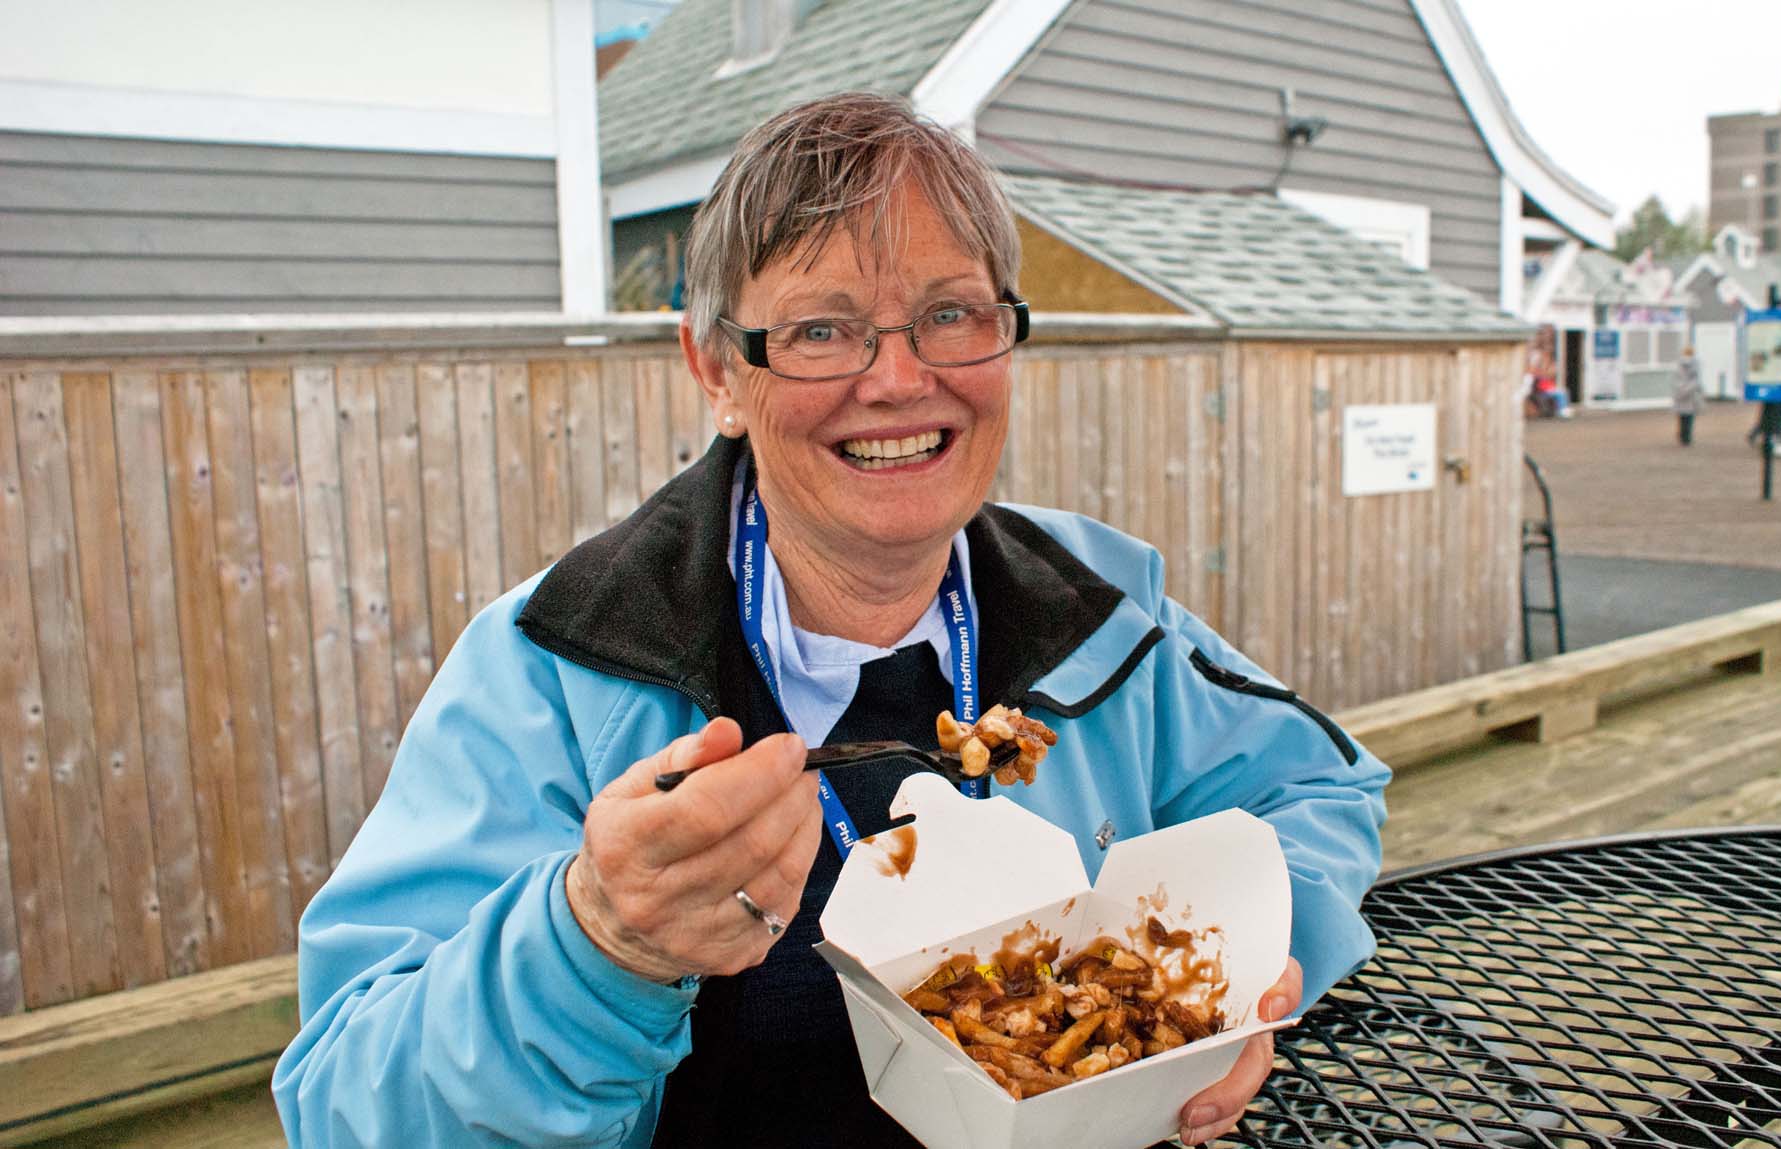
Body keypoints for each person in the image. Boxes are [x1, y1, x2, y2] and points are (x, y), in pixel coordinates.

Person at [272, 93, 1390, 1148]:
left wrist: (1237, 969)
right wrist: (595, 943)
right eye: (821, 331)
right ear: (716, 368)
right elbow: (342, 1102)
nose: (900, 380)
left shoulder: (1103, 607)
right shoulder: (557, 664)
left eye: (950, 314)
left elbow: (1317, 788)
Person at [1671, 344, 1702, 446]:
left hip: (1679, 394)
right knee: (1689, 418)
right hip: (1690, 395)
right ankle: (1687, 437)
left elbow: (1675, 380)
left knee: (1681, 417)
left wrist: (1680, 390)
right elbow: (1696, 380)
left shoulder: (1677, 365)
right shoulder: (1694, 364)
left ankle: (1681, 434)